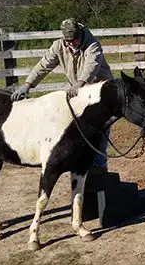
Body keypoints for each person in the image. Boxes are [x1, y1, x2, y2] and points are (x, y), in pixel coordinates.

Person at [11, 18, 115, 170]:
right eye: (68, 41)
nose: (71, 43)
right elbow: (44, 65)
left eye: (74, 40)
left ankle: (100, 169)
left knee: (99, 133)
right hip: (80, 94)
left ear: (80, 34)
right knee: (78, 130)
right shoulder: (58, 46)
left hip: (100, 93)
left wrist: (80, 83)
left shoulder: (93, 45)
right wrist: (28, 84)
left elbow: (91, 66)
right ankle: (81, 167)